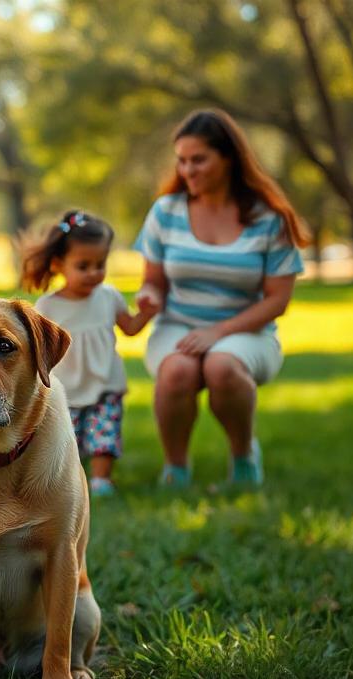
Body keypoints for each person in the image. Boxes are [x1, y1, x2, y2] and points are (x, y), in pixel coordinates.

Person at [133, 108, 310, 488]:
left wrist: (219, 332)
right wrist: (149, 296)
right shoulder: (166, 212)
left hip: (248, 330)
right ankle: (176, 470)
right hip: (177, 326)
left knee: (221, 366)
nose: (188, 170)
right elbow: (154, 281)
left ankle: (244, 457)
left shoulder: (269, 219)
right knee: (177, 370)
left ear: (229, 158)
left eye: (199, 160)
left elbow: (277, 300)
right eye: (182, 161)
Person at [23, 210, 160, 498]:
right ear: (59, 264)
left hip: (105, 382)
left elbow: (130, 328)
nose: (94, 273)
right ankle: (66, 481)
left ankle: (101, 480)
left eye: (100, 264)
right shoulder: (49, 306)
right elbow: (37, 345)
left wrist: (146, 313)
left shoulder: (108, 296)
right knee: (63, 437)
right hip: (65, 386)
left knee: (104, 433)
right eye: (83, 265)